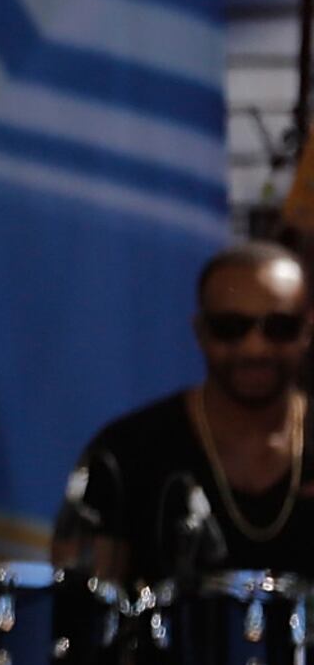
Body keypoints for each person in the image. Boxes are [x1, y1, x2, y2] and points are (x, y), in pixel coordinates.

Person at [58, 238, 314, 583]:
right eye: (231, 328)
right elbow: (83, 609)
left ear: (307, 332)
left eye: (279, 327)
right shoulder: (128, 452)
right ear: (201, 332)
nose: (256, 347)